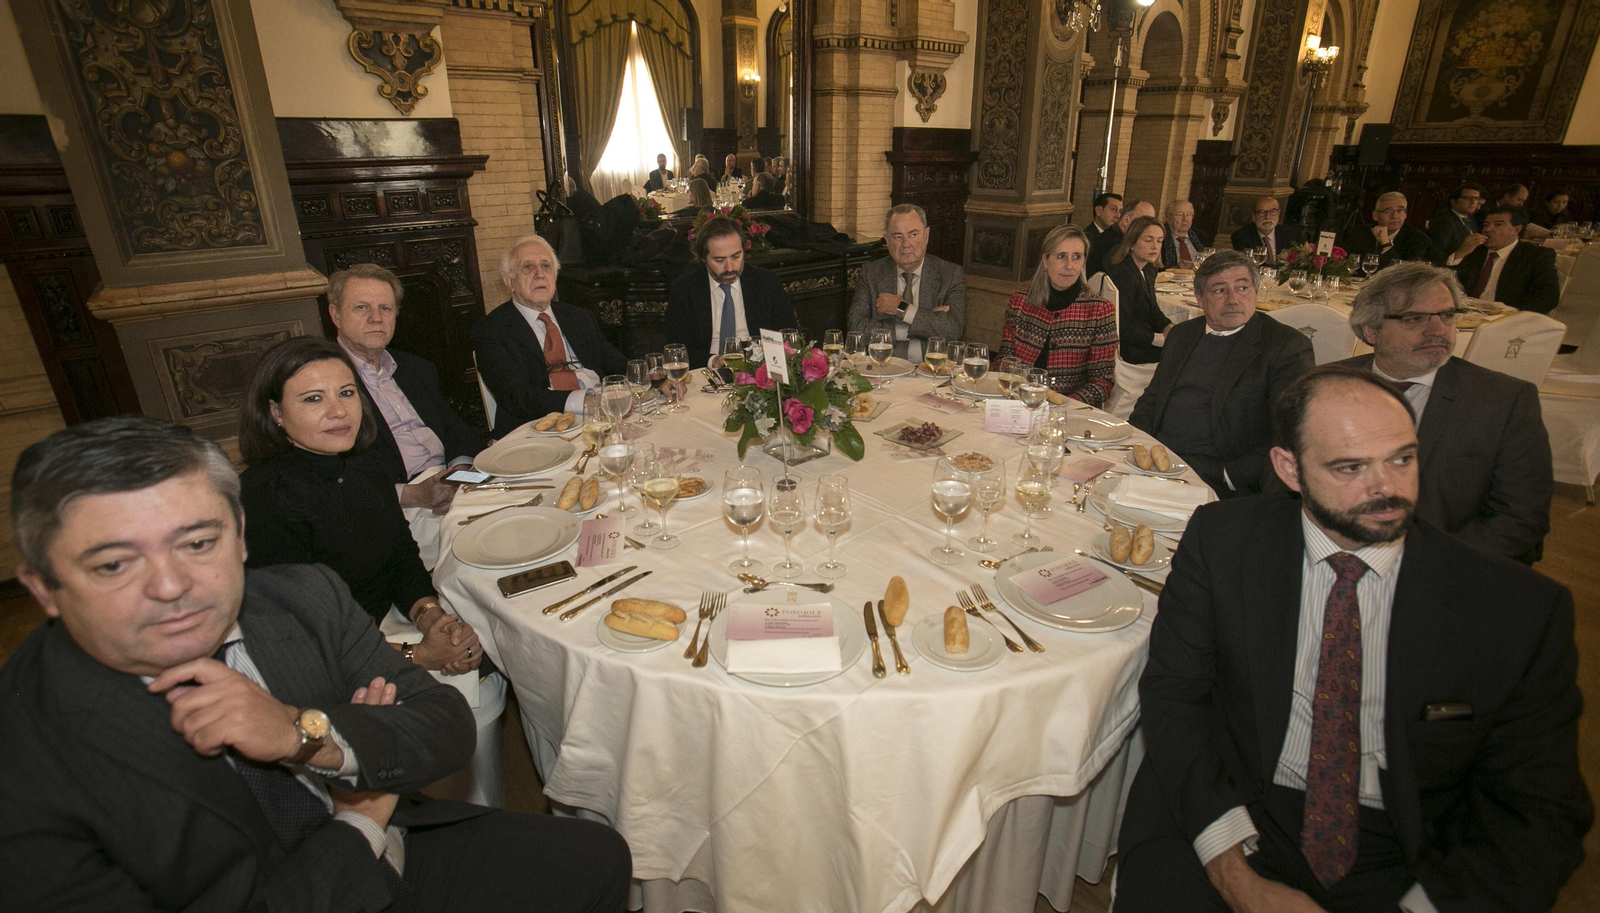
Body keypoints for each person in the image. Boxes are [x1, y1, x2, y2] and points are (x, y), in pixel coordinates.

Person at [0, 414, 632, 912]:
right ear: (42, 587)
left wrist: (310, 736)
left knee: (598, 856)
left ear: (240, 533)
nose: (171, 586)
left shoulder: (301, 597)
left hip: (404, 851)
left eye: (198, 542)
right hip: (322, 875)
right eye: (114, 564)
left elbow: (444, 727)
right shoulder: (27, 766)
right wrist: (357, 825)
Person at [1116, 365, 1589, 912]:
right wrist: (1234, 876)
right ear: (1289, 468)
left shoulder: (1515, 609)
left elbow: (1536, 813)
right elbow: (1176, 699)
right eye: (1350, 467)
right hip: (1237, 801)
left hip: (1406, 845)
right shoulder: (1223, 543)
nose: (1386, 487)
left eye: (1402, 458)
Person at [237, 336, 509, 806]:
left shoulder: (364, 465)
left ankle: (478, 815)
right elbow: (300, 642)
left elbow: (401, 556)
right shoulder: (264, 500)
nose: (338, 411)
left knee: (486, 656)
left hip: (381, 624)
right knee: (463, 698)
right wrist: (419, 657)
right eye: (312, 398)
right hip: (321, 667)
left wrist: (430, 616)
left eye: (346, 393)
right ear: (275, 414)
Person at [1339, 261, 1552, 562]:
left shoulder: (1505, 401)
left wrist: (1431, 563)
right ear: (1371, 330)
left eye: (1447, 316)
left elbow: (1522, 516)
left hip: (1447, 566)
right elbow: (1288, 478)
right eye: (1415, 319)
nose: (1437, 330)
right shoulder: (1327, 385)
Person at [326, 263, 482, 564]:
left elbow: (453, 427)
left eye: (385, 308)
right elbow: (335, 476)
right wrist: (413, 494)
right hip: (395, 508)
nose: (376, 318)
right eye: (362, 307)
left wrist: (460, 473)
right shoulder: (324, 382)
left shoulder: (415, 368)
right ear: (336, 315)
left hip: (453, 485)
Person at [1130, 250, 1314, 496]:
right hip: (1156, 459)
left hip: (1218, 476)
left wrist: (1230, 475)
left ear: (1256, 293)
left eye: (1242, 288)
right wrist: (1134, 443)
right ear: (1199, 298)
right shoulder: (1182, 335)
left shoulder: (1284, 346)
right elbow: (1152, 399)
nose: (1233, 299)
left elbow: (1291, 432)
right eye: (1219, 290)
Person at [472, 235, 628, 437]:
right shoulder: (491, 330)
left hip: (601, 416)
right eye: (528, 267)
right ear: (510, 282)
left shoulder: (579, 316)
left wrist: (651, 376)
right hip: (538, 429)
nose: (539, 274)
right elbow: (517, 396)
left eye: (546, 266)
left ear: (554, 276)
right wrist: (583, 401)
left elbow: (616, 362)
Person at [996, 224, 1117, 406]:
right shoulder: (1020, 301)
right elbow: (1004, 359)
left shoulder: (1099, 310)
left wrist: (1063, 404)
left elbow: (1103, 382)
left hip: (1069, 410)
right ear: (1045, 260)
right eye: (1061, 256)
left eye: (1077, 257)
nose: (1069, 265)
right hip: (1018, 401)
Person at [664, 216, 795, 369]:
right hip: (706, 371)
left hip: (759, 370)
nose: (729, 268)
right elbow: (676, 350)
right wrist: (714, 361)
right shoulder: (684, 289)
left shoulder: (766, 282)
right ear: (703, 258)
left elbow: (788, 337)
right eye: (719, 260)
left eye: (736, 256)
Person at [846, 203, 967, 362]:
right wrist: (928, 321)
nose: (906, 244)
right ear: (887, 239)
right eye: (898, 237)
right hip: (884, 369)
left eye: (913, 234)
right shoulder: (871, 273)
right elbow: (856, 327)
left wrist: (901, 308)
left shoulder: (950, 274)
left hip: (931, 372)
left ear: (926, 235)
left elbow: (953, 330)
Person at [1445, 204, 1561, 313]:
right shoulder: (1474, 249)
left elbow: (1549, 296)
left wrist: (1512, 313)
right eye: (1486, 224)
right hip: (1465, 312)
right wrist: (1460, 254)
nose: (1488, 229)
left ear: (1516, 229)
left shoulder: (1535, 255)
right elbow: (1447, 282)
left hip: (1505, 317)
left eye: (1498, 224)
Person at [1104, 215, 1173, 365]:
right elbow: (1123, 325)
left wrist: (1169, 327)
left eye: (1159, 241)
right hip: (1128, 347)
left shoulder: (1149, 270)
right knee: (1182, 353)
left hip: (1141, 339)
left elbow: (1153, 309)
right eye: (1148, 240)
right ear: (1132, 243)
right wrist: (1159, 339)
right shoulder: (1123, 274)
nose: (1155, 246)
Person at [1337, 191, 1431, 269]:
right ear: (1376, 216)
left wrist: (1385, 243)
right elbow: (1342, 264)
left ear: (1405, 215)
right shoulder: (1358, 232)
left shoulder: (1418, 239)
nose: (1395, 216)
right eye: (1388, 211)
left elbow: (1403, 273)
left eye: (1400, 211)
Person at [1230, 196, 1304, 262]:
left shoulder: (1293, 234)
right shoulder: (1241, 236)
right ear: (1253, 215)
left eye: (1273, 211)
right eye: (1262, 212)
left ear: (1279, 213)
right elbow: (1245, 265)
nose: (1267, 217)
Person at [1426, 183, 1483, 266]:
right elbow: (1436, 254)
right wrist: (1460, 253)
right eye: (1468, 198)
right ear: (1453, 201)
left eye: (1476, 199)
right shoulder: (1444, 220)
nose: (1473, 202)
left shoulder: (1470, 218)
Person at [1084, 191, 1124, 278]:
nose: (1118, 215)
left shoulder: (1119, 237)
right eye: (1113, 209)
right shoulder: (1086, 237)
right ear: (1099, 210)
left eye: (1120, 211)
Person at [1161, 199, 1209, 269]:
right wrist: (1175, 269)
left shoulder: (1201, 236)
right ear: (1168, 217)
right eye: (1180, 214)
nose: (1185, 219)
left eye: (1189, 215)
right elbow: (1154, 268)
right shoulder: (1160, 236)